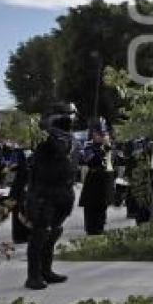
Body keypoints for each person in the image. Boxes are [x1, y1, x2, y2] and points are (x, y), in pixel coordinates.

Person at [25, 102, 79, 290]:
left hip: (63, 193)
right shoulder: (46, 138)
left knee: (54, 232)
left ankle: (46, 270)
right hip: (45, 194)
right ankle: (33, 276)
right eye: (67, 116)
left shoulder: (70, 139)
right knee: (40, 235)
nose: (71, 120)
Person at [79, 117, 115, 235]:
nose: (101, 136)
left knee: (102, 205)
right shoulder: (89, 146)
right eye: (98, 134)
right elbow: (91, 160)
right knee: (91, 206)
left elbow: (115, 160)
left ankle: (100, 227)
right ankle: (91, 228)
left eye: (103, 134)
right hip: (93, 179)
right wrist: (103, 150)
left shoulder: (108, 146)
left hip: (104, 179)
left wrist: (108, 148)